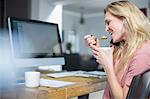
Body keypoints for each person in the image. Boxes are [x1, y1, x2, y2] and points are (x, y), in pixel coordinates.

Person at [84, 0, 150, 99]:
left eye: (108, 22)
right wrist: (96, 48)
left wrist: (107, 66)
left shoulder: (142, 52)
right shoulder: (122, 46)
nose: (106, 29)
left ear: (125, 19)